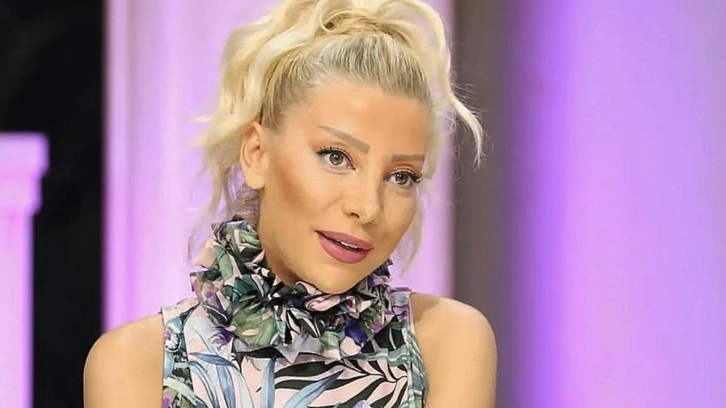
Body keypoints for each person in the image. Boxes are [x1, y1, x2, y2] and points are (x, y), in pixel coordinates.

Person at [84, 0, 496, 406]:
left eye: (401, 176)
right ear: (257, 154)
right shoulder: (137, 365)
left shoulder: (447, 344)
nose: (368, 207)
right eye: (336, 157)